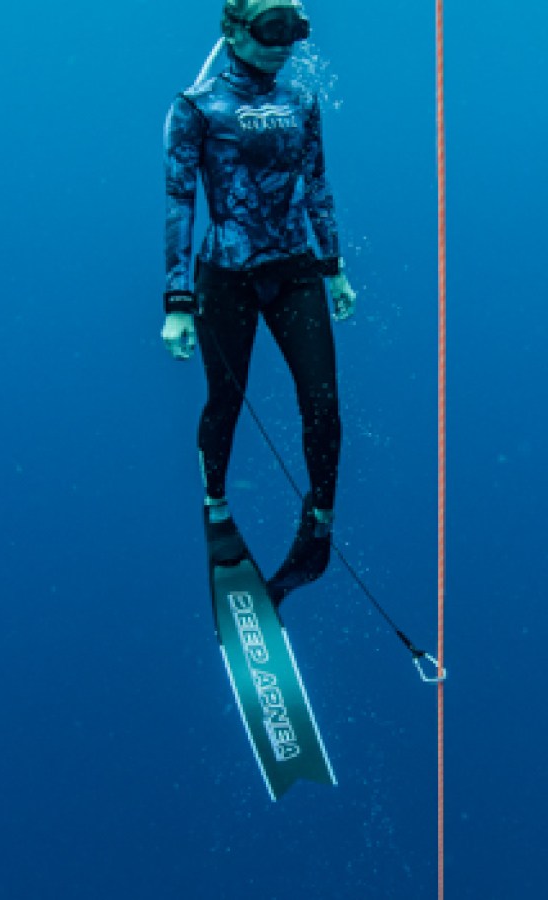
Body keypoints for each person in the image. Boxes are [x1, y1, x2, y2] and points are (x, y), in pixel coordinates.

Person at [161, 0, 357, 604]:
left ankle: (319, 519)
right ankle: (216, 508)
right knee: (226, 400)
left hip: (296, 269)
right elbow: (179, 202)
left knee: (322, 401)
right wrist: (177, 299)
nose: (285, 44)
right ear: (235, 33)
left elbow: (318, 186)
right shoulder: (195, 107)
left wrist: (335, 268)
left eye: (294, 31)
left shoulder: (302, 102)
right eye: (273, 29)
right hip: (226, 276)